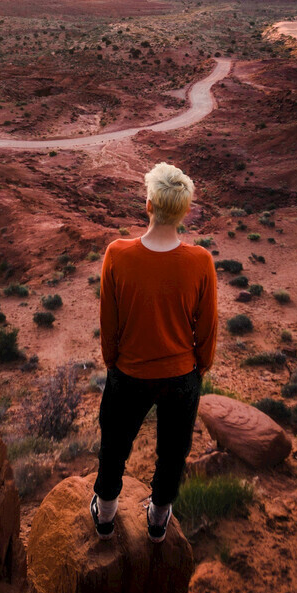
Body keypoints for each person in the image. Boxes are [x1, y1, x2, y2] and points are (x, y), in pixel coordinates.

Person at [90, 161, 218, 543]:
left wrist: (113, 361)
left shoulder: (118, 254)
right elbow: (207, 325)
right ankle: (159, 520)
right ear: (184, 211)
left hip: (128, 372)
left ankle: (106, 516)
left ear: (149, 206)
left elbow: (108, 320)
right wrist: (201, 367)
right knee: (173, 452)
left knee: (114, 443)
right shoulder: (200, 261)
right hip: (181, 376)